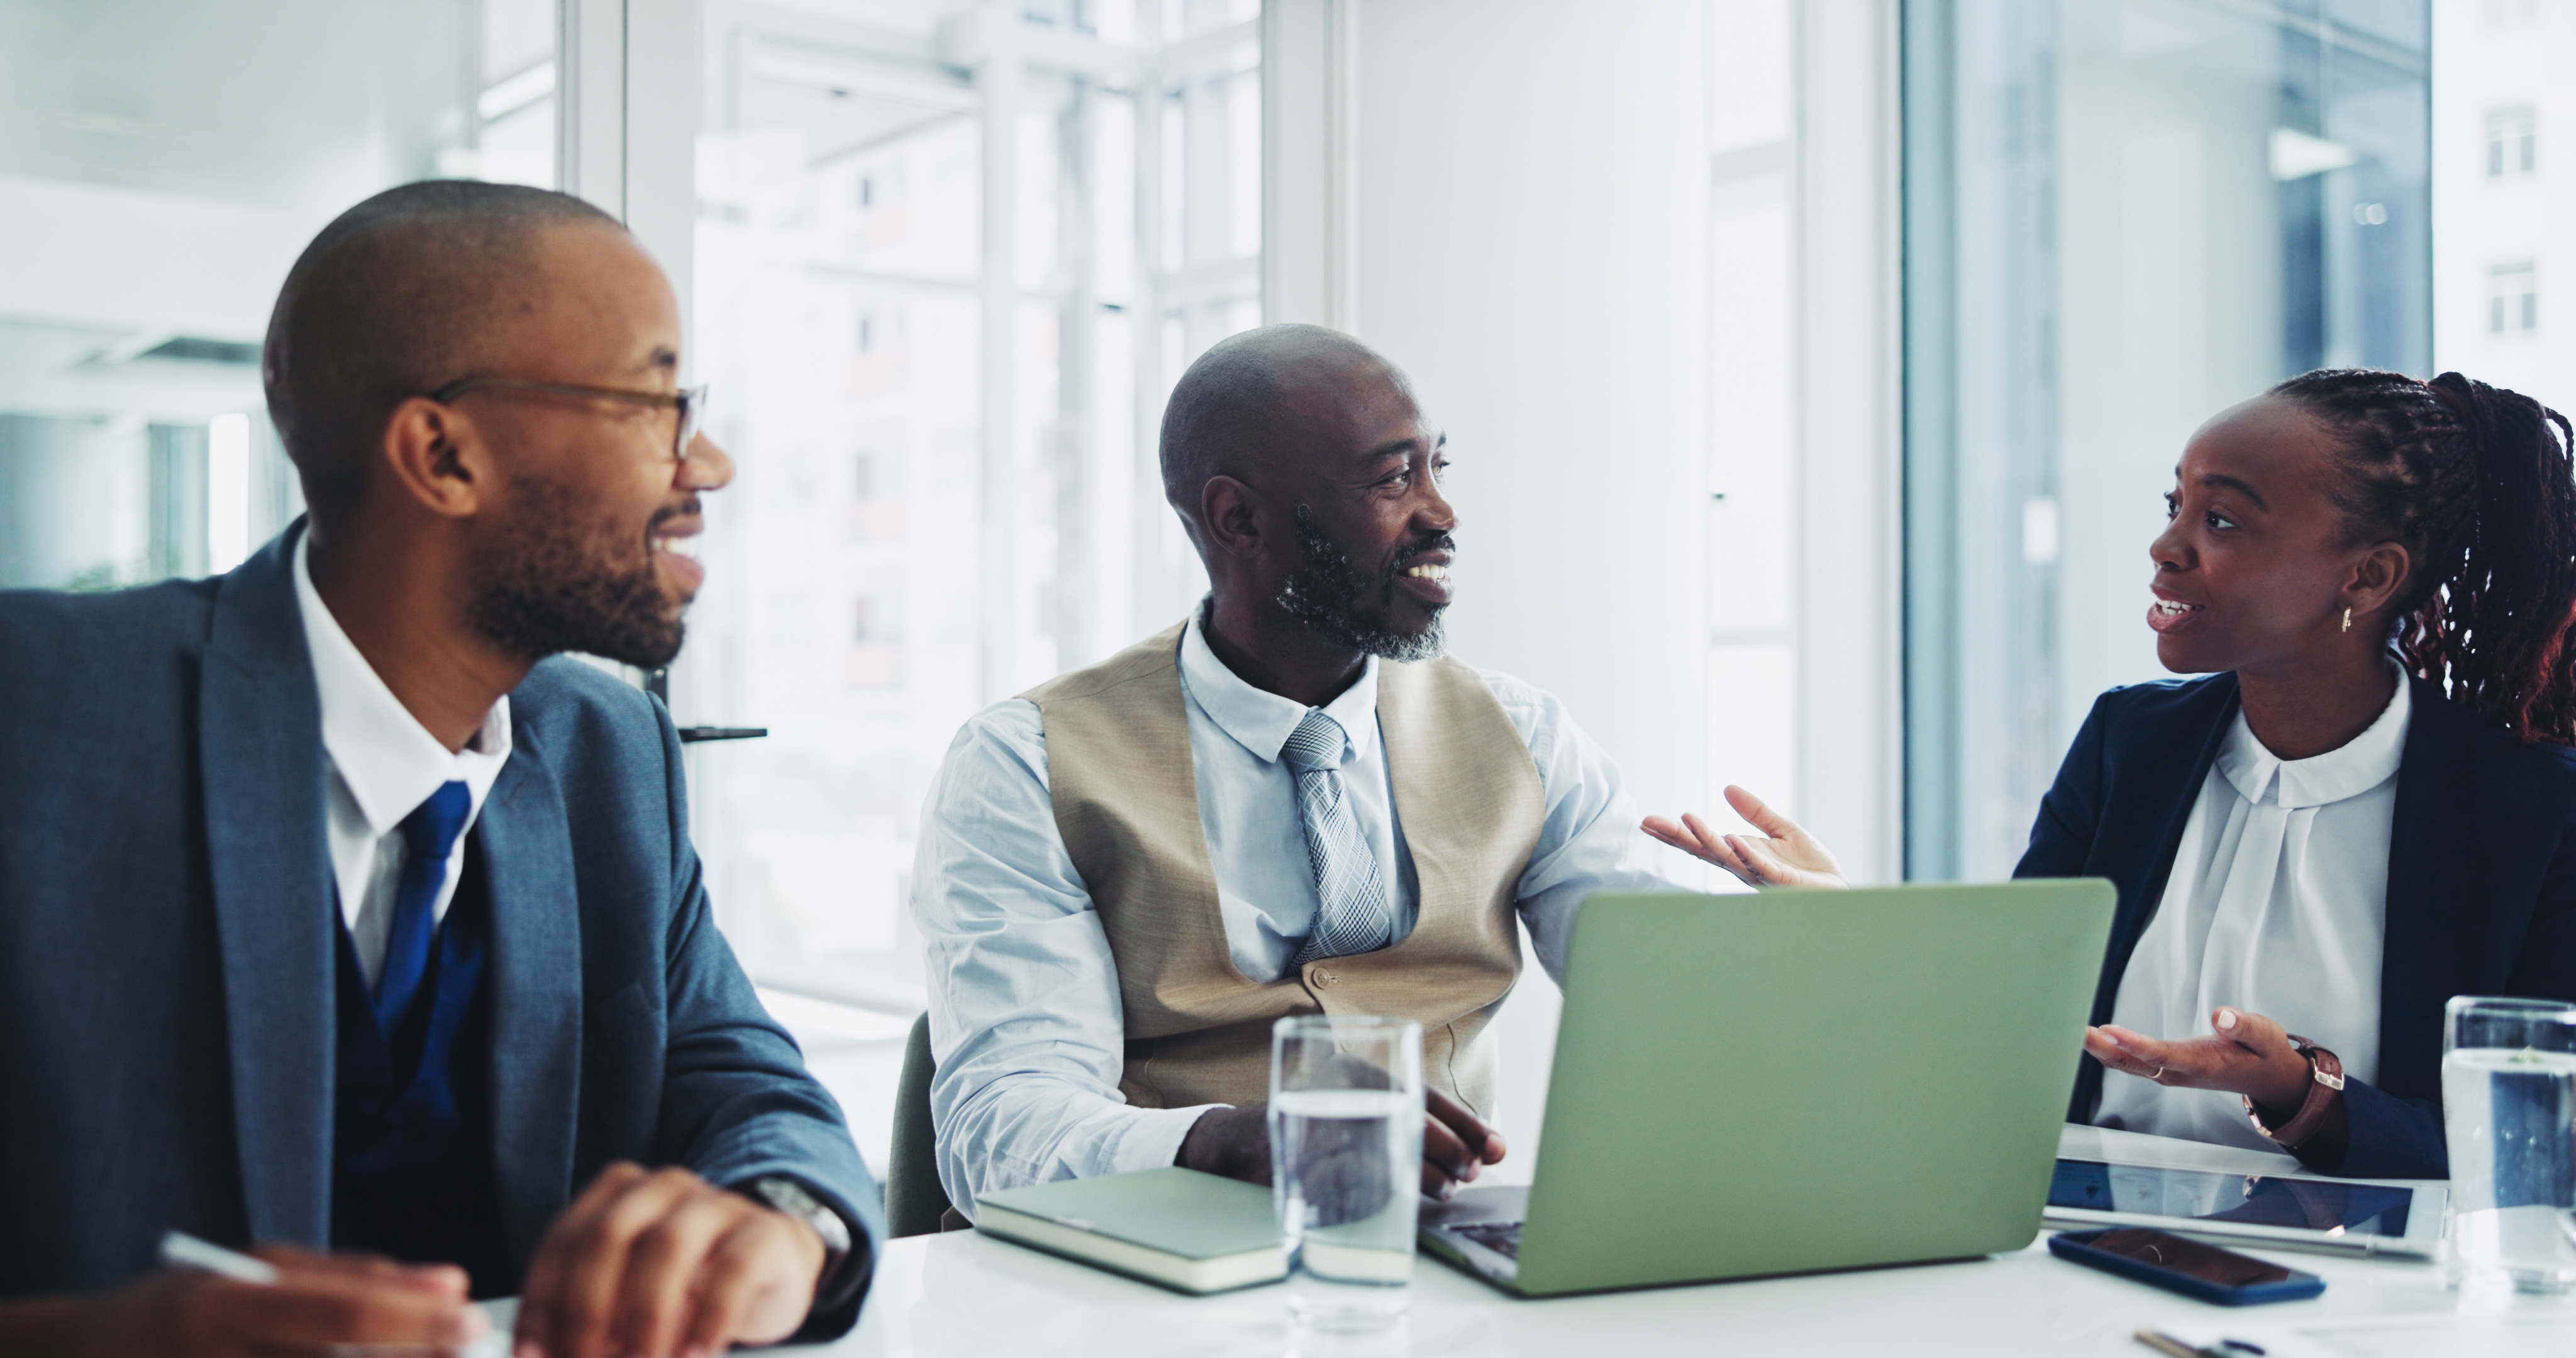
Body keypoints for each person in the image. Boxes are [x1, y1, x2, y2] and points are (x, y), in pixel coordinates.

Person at [0, 182, 879, 1357]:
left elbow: (749, 1087)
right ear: (442, 456)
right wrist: (90, 1339)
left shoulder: (608, 757)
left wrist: (772, 1225)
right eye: (657, 402)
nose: (707, 462)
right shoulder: (39, 712)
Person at [911, 324, 1757, 1216]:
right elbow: (997, 1134)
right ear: (1239, 518)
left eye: (1439, 468)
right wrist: (1228, 1140)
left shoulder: (1526, 737)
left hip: (1438, 1270)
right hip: (1137, 1277)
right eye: (1393, 478)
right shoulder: (1023, 764)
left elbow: (1680, 1013)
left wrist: (1826, 952)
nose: (1442, 512)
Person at [1663, 368, 2576, 1181]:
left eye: (2220, 519)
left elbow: (2537, 1145)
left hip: (2370, 1299)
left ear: (2368, 578)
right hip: (2088, 1243)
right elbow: (2017, 1022)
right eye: (2172, 505)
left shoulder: (2532, 812)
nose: (2166, 547)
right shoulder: (2130, 742)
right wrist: (1863, 928)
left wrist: (2302, 1093)